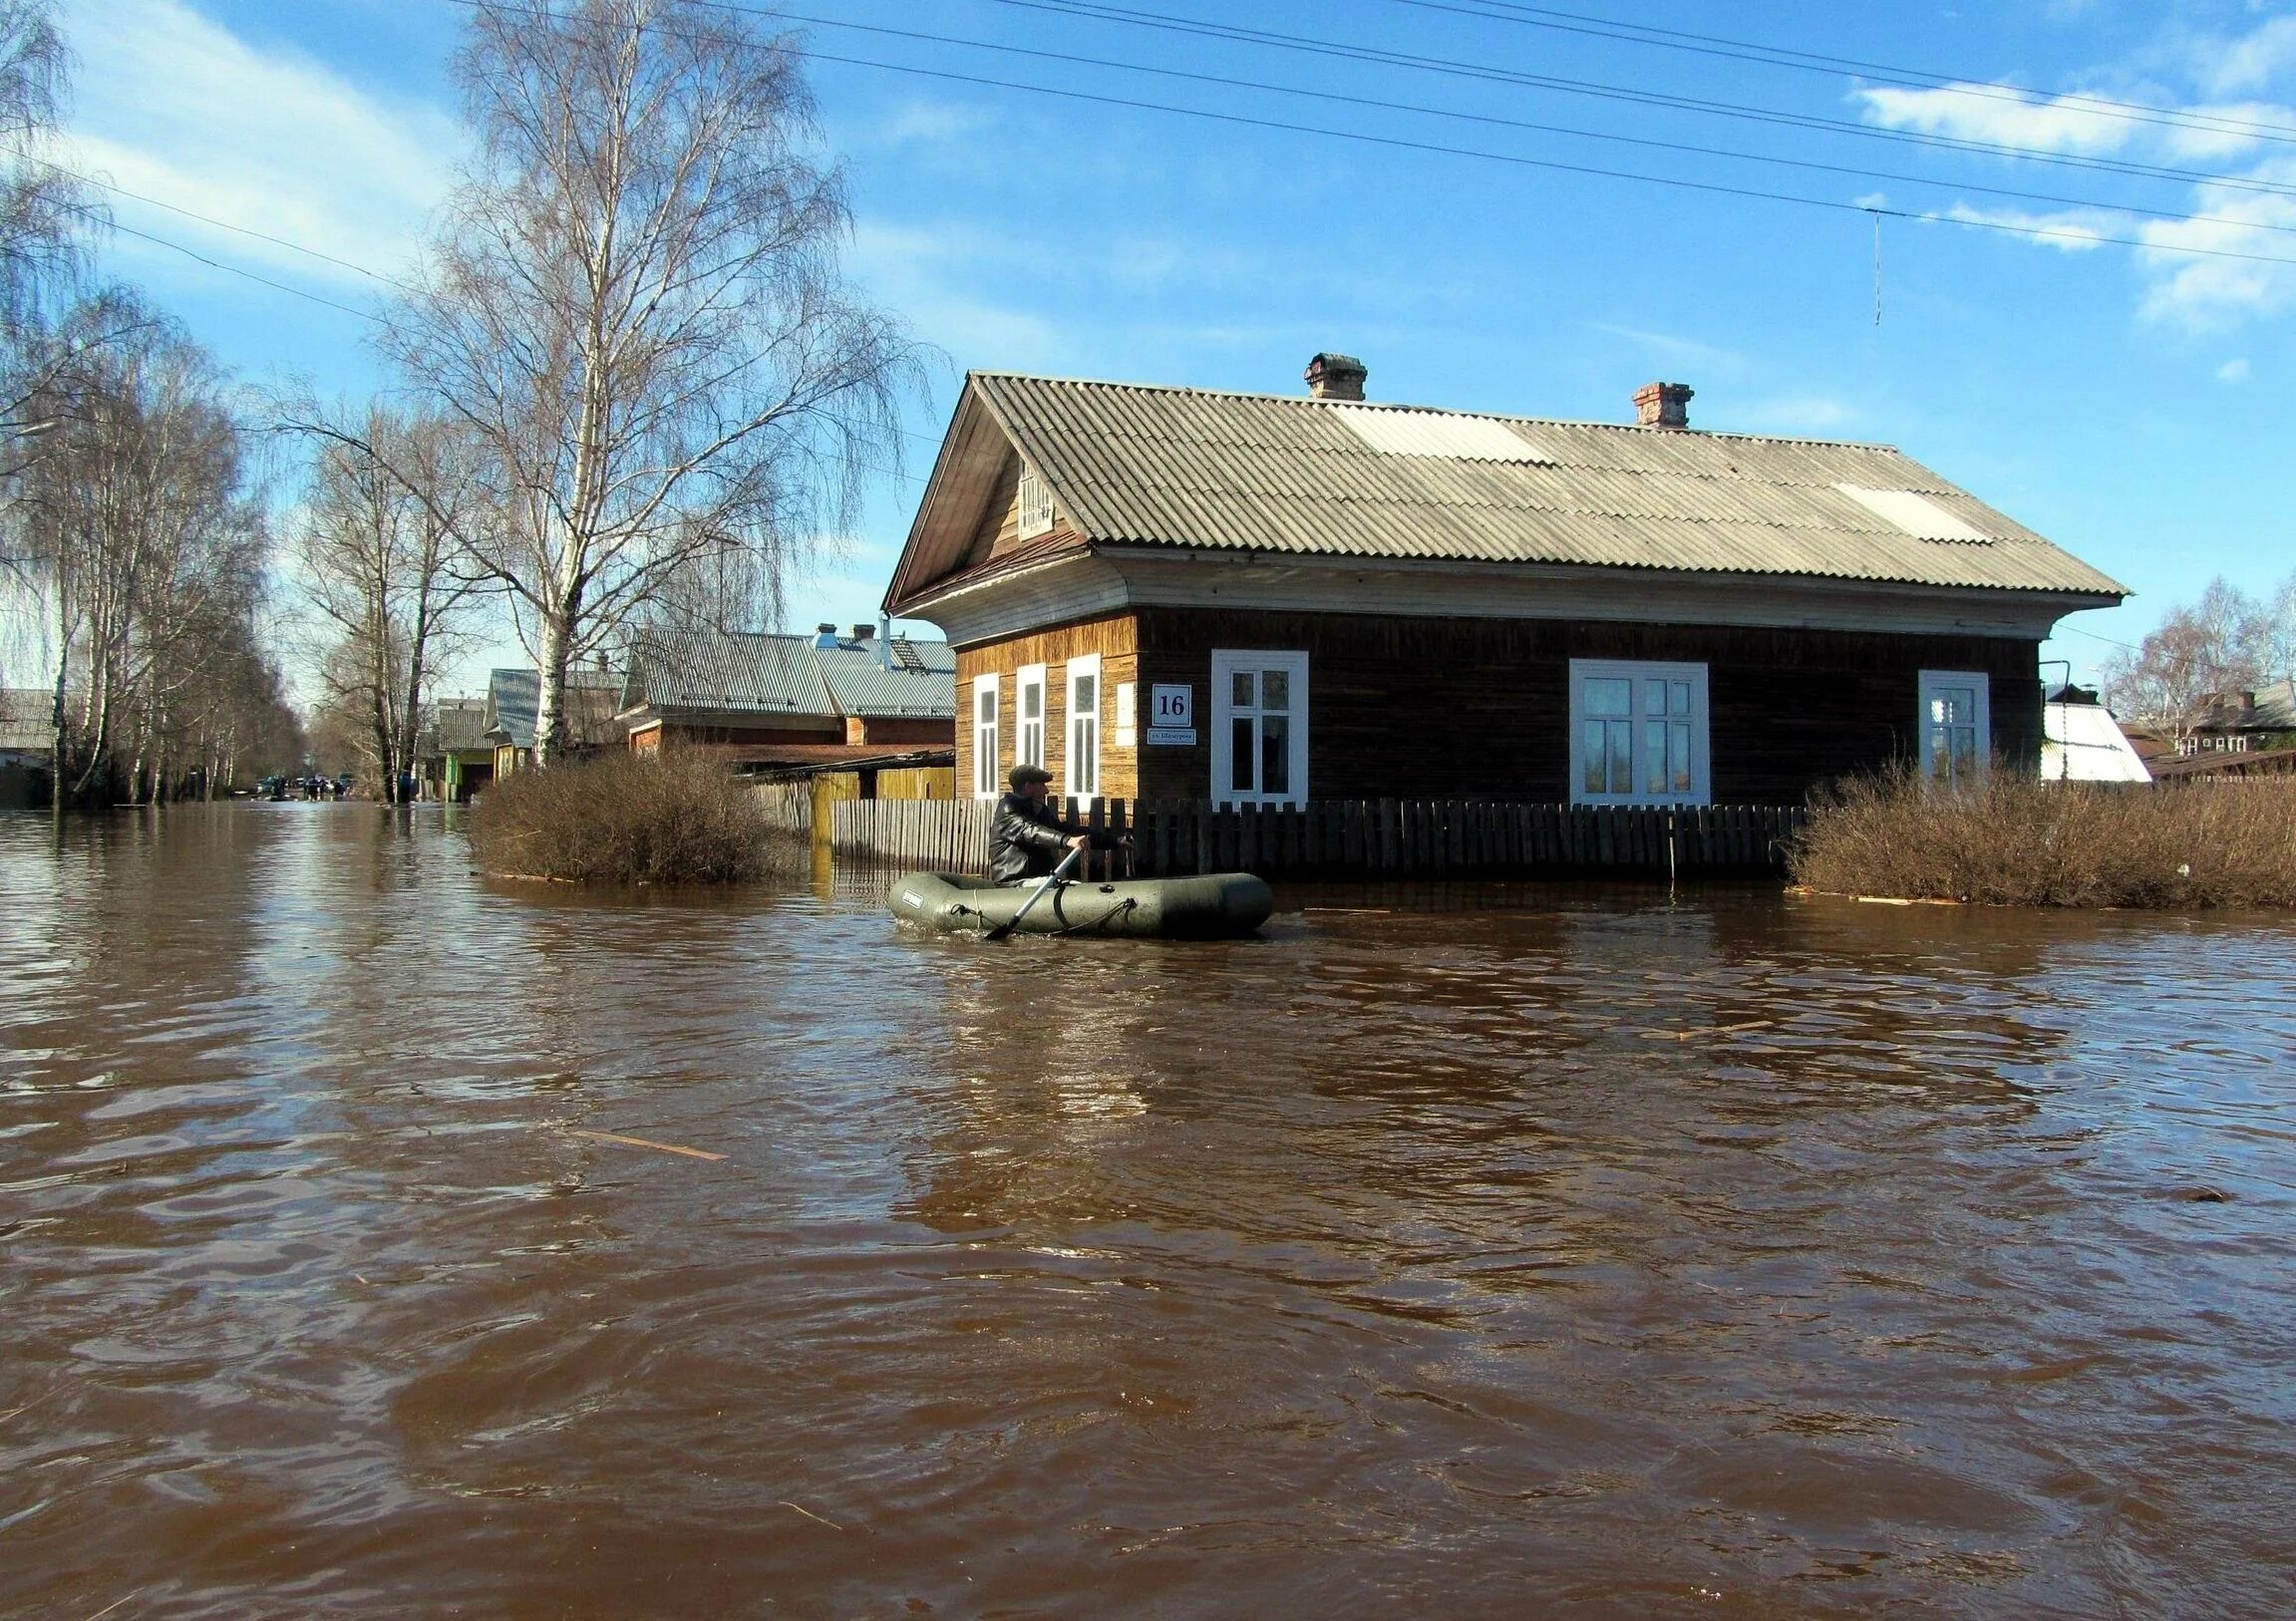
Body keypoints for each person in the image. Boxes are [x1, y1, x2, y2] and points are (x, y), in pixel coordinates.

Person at [990, 763, 1127, 885]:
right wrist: (1067, 841)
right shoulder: (1007, 808)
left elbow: (1068, 830)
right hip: (1014, 881)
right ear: (1028, 786)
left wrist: (1115, 841)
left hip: (1038, 879)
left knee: (1074, 887)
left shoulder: (1041, 812)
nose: (1046, 791)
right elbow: (1030, 831)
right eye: (1042, 785)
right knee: (1069, 890)